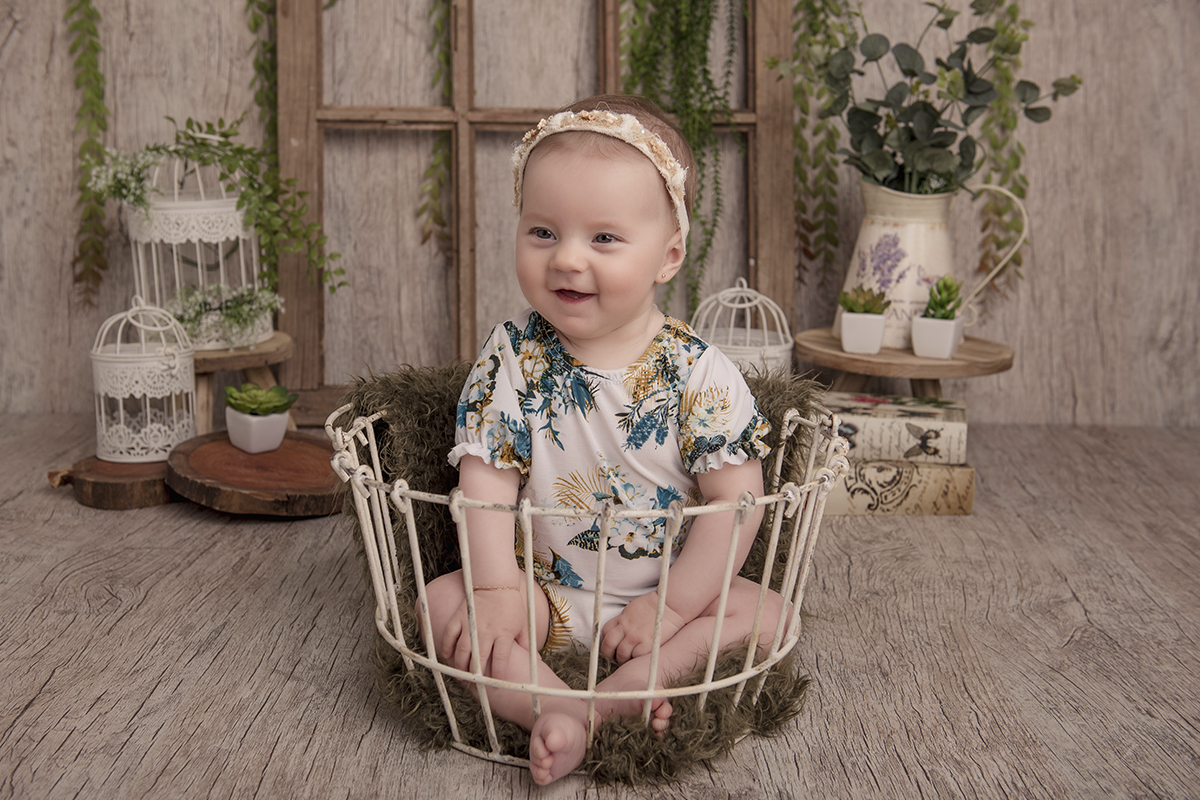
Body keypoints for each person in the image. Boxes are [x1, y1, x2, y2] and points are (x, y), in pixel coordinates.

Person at [421, 94, 783, 785]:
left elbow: (736, 503)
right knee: (441, 604)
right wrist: (495, 589)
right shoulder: (514, 356)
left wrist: (670, 608)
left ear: (668, 256)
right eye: (543, 232)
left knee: (769, 613)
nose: (567, 259)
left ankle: (640, 682)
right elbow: (487, 478)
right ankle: (558, 709)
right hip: (544, 595)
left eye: (604, 239)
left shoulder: (698, 372)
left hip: (669, 598)